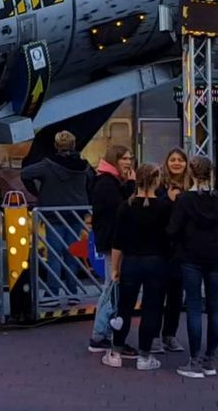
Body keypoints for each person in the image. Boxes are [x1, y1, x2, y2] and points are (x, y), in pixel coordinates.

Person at [169, 156, 218, 379]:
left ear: (191, 173)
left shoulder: (184, 200)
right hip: (215, 254)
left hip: (191, 256)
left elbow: (173, 229)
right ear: (211, 173)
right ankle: (210, 359)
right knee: (215, 307)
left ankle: (195, 359)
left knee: (194, 308)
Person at [105, 163, 171, 371]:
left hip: (131, 261)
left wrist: (115, 268)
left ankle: (116, 351)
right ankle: (145, 355)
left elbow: (118, 242)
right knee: (152, 309)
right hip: (156, 262)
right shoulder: (164, 207)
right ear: (156, 181)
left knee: (124, 307)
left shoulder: (126, 206)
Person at [20, 130, 94, 298]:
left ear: (56, 146)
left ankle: (53, 291)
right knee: (71, 252)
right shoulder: (84, 166)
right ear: (74, 145)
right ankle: (72, 291)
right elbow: (91, 183)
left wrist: (39, 192)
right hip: (76, 213)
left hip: (53, 213)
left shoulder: (48, 165)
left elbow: (25, 173)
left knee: (55, 253)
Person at [88, 145, 134, 353]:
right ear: (114, 160)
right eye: (124, 158)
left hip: (111, 239)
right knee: (111, 286)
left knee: (112, 285)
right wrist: (131, 186)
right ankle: (100, 334)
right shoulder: (107, 183)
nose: (128, 162)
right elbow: (122, 209)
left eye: (130, 158)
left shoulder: (108, 181)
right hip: (111, 241)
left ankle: (103, 332)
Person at [154, 147, 192, 354]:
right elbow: (153, 211)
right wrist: (167, 199)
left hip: (182, 247)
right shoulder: (159, 185)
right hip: (161, 245)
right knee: (157, 293)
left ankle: (170, 334)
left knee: (176, 294)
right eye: (173, 160)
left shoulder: (191, 186)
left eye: (180, 160)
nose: (177, 163)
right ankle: (154, 336)